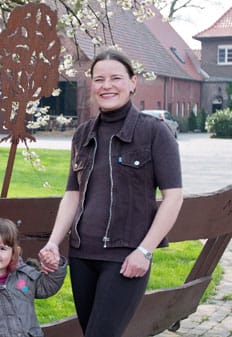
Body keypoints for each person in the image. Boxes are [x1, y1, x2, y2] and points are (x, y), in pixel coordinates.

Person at [38, 47, 184, 337]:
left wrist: (145, 251)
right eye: (99, 79)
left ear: (132, 82)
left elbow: (173, 197)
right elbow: (72, 195)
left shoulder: (155, 132)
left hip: (126, 257)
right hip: (82, 255)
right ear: (92, 84)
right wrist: (54, 242)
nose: (107, 86)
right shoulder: (83, 134)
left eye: (116, 78)